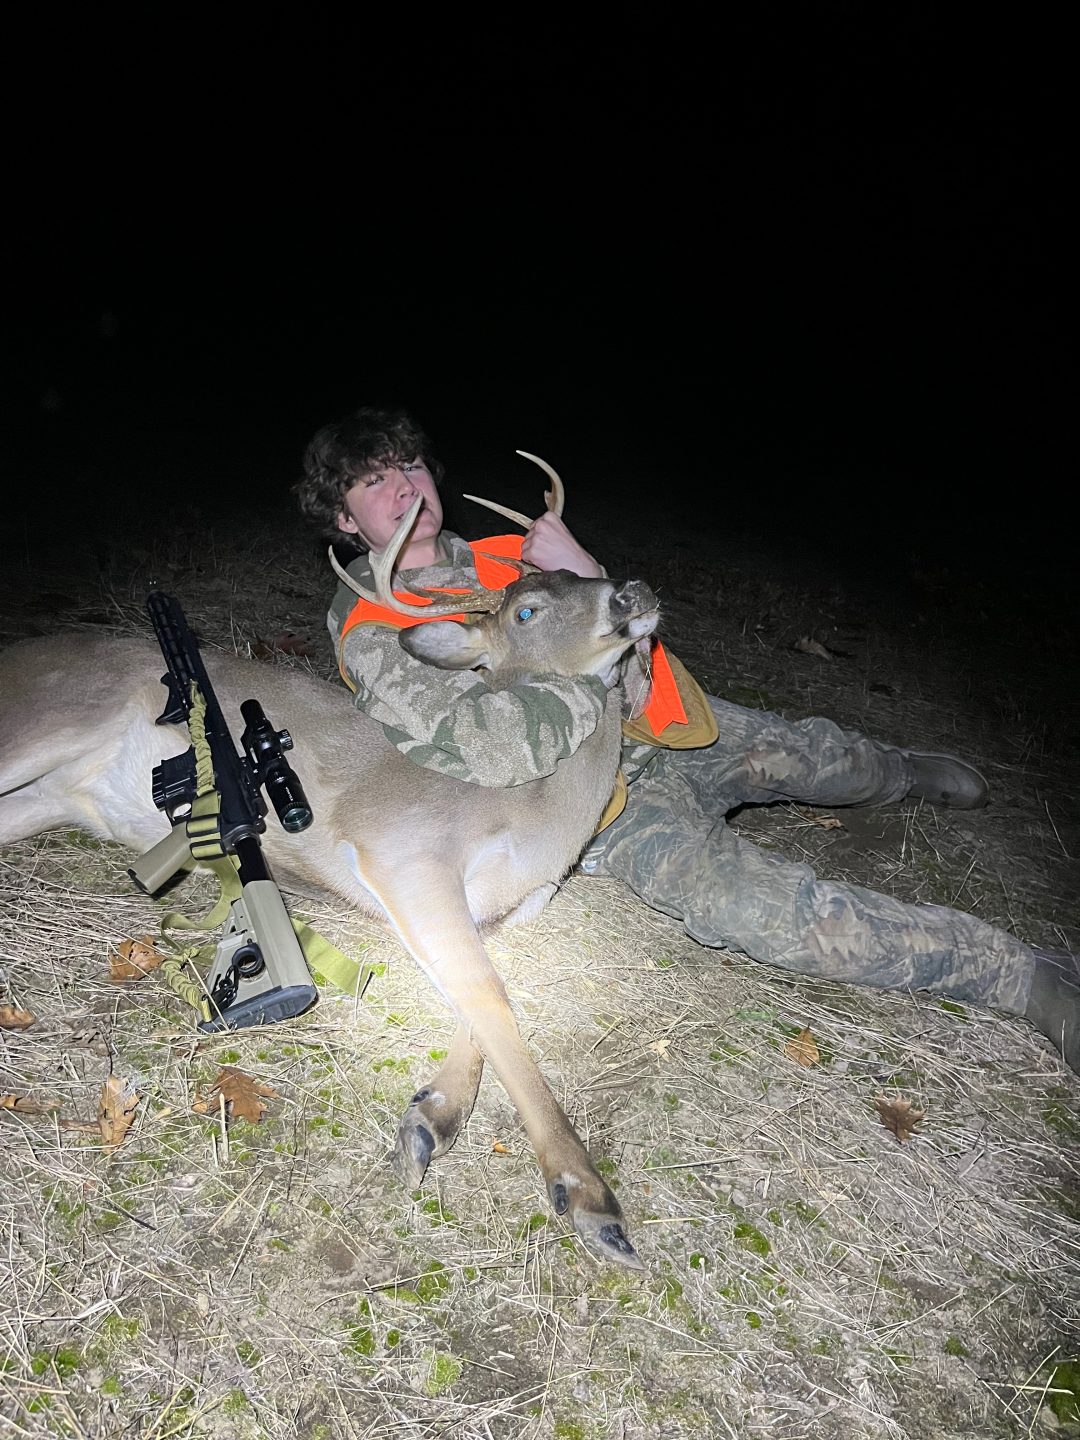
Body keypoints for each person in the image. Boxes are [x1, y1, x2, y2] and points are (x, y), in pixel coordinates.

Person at [294, 406, 1080, 1072]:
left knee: (823, 757)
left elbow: (627, 632)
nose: (405, 486)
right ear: (343, 518)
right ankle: (1024, 976)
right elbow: (490, 749)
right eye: (374, 481)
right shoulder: (376, 626)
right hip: (600, 803)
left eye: (411, 466)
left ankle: (899, 774)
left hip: (661, 722)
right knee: (769, 914)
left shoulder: (509, 553)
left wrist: (586, 567)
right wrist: (588, 663)